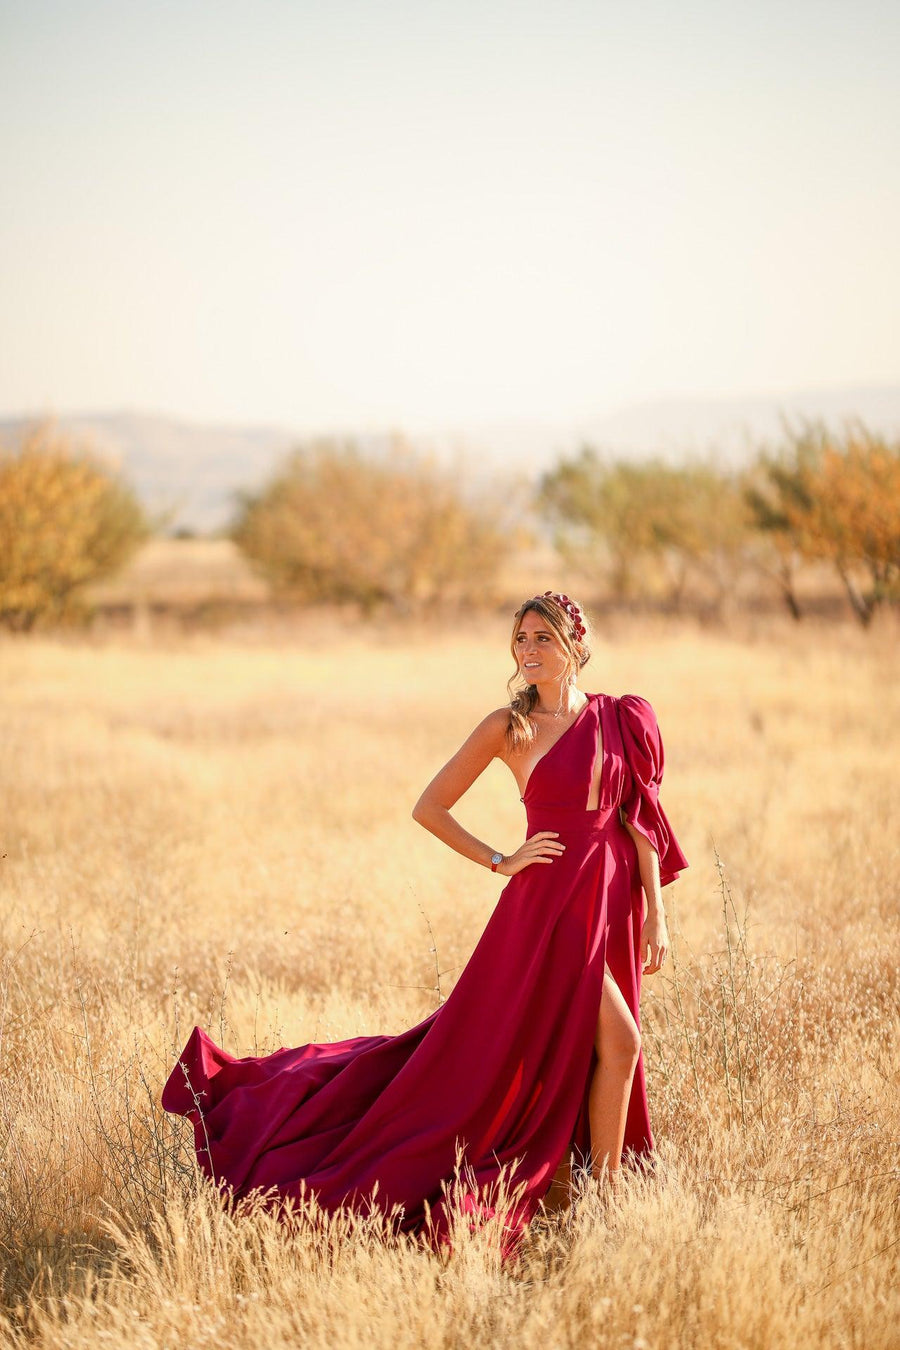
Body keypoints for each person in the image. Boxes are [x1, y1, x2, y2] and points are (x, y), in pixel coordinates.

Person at [161, 591, 688, 1262]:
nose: (528, 650)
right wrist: (501, 859)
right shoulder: (510, 727)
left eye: (542, 638)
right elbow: (429, 806)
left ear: (575, 646)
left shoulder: (621, 718)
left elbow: (639, 820)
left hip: (608, 905)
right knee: (620, 1044)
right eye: (521, 638)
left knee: (603, 1050)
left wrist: (656, 913)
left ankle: (597, 1190)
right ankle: (605, 1197)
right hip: (544, 915)